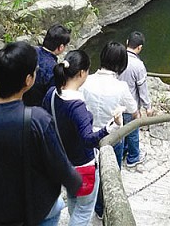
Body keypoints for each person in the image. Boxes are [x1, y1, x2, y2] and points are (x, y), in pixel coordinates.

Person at [0, 41, 82, 226]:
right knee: (57, 205)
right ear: (28, 80)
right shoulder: (38, 120)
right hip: (35, 214)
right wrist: (77, 183)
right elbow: (61, 169)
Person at [43, 49, 123, 226]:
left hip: (62, 160)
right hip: (82, 166)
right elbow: (87, 139)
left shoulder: (51, 94)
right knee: (84, 211)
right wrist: (112, 126)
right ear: (81, 73)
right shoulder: (76, 106)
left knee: (74, 201)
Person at [82, 41, 138, 218]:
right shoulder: (120, 87)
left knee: (91, 170)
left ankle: (87, 203)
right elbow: (133, 109)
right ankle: (101, 208)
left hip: (88, 133)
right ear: (121, 63)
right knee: (110, 172)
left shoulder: (87, 81)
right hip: (112, 135)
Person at [118, 30, 153, 167]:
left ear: (127, 42)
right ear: (139, 48)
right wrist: (148, 107)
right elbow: (142, 90)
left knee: (119, 132)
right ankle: (133, 157)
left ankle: (122, 153)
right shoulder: (138, 65)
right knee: (132, 132)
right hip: (130, 106)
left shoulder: (116, 57)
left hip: (115, 103)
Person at [23, 23, 71, 107]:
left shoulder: (30, 52)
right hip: (38, 110)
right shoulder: (53, 69)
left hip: (20, 100)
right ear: (61, 47)